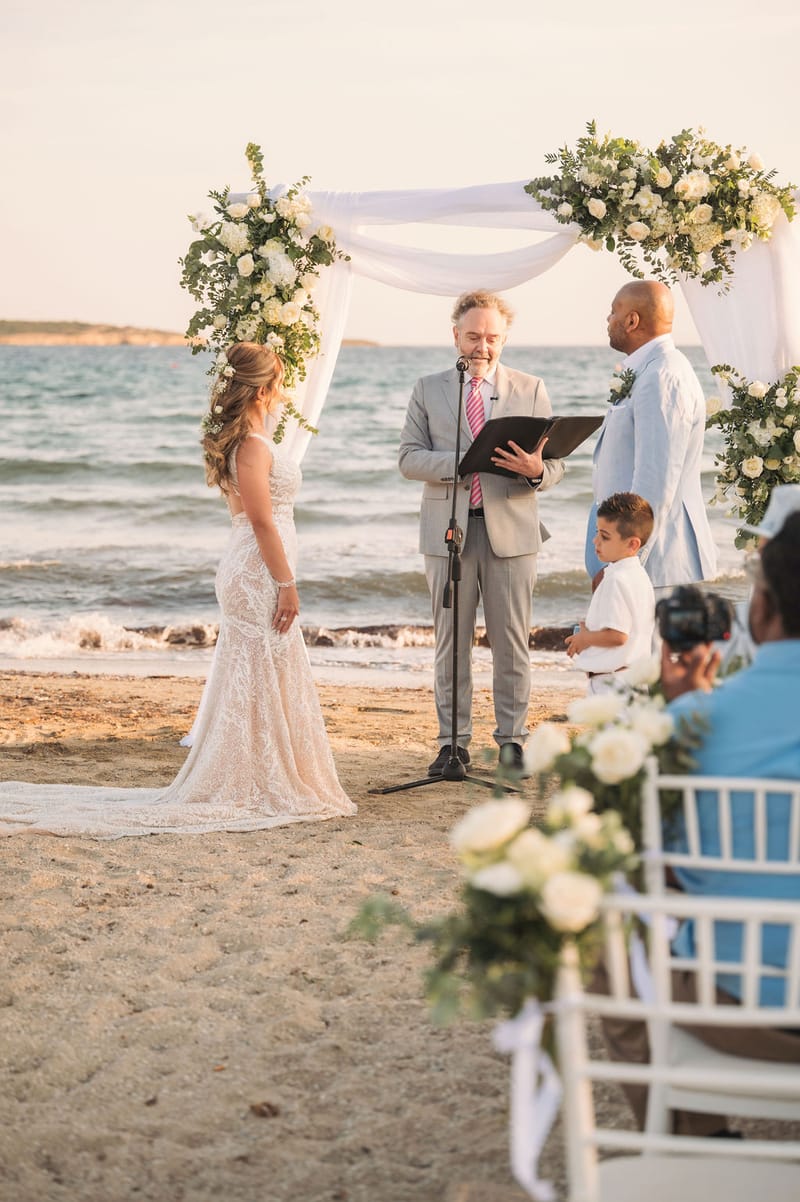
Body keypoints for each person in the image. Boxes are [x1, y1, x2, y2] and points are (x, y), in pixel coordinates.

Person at [0, 342, 356, 837]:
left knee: (259, 670)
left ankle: (260, 771)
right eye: (280, 379)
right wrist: (287, 584)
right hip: (256, 571)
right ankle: (251, 779)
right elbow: (260, 522)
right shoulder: (252, 445)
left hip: (255, 566)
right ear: (264, 388)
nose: (286, 389)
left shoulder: (254, 439)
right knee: (256, 667)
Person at [602, 508, 800, 1134]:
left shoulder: (687, 733)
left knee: (614, 944)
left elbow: (660, 872)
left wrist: (684, 714)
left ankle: (695, 1138)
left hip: (741, 1007)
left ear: (761, 609)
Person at [399, 291, 565, 775]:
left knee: (511, 642)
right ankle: (452, 744)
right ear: (455, 335)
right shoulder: (427, 389)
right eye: (473, 336)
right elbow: (408, 458)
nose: (482, 347)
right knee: (450, 644)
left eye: (492, 338)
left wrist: (536, 470)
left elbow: (554, 466)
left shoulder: (531, 388)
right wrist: (462, 464)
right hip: (447, 534)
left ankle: (512, 742)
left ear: (504, 338)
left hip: (512, 534)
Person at [586, 280, 717, 593]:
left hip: (657, 566)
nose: (608, 319)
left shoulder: (662, 377)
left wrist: (629, 561)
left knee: (650, 643)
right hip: (640, 559)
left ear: (632, 321)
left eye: (613, 311)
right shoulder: (650, 371)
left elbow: (656, 480)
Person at [566, 492, 655, 694]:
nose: (595, 541)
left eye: (604, 537)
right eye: (597, 532)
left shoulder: (616, 579)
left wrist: (585, 639)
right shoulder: (639, 575)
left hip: (612, 683)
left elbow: (617, 635)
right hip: (633, 679)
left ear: (633, 544)